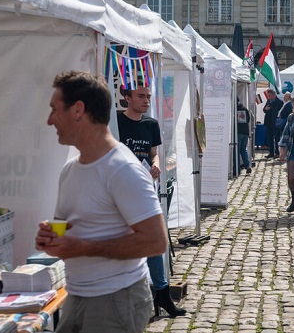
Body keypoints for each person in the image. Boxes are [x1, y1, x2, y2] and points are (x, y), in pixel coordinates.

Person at [36, 71, 168, 333]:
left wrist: (83, 246)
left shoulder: (123, 169)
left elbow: (156, 241)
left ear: (78, 110)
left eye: (54, 109)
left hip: (116, 299)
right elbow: (68, 229)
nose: (50, 120)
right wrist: (53, 237)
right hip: (76, 295)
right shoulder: (70, 170)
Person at [117, 84, 186, 318]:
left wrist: (156, 164)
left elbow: (153, 153)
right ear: (127, 98)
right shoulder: (115, 122)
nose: (146, 100)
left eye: (148, 96)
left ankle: (162, 292)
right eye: (140, 97)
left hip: (145, 188)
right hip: (121, 191)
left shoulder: (151, 124)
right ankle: (138, 296)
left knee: (157, 240)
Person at [263, 89, 284, 159]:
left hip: (276, 123)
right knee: (269, 138)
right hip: (269, 122)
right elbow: (264, 110)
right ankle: (271, 152)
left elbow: (282, 112)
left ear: (273, 94)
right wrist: (266, 109)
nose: (269, 97)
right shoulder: (268, 101)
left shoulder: (280, 102)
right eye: (268, 95)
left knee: (277, 138)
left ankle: (277, 153)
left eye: (269, 95)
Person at [236, 98, 252, 174]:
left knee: (237, 150)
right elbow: (248, 119)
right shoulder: (245, 109)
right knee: (243, 150)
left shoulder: (234, 109)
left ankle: (237, 169)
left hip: (238, 132)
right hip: (245, 131)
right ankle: (247, 165)